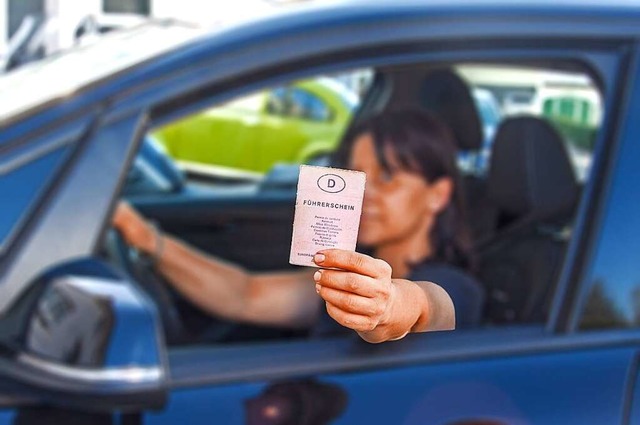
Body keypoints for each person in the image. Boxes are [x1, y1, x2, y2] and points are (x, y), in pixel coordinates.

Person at [113, 109, 483, 343]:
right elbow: (244, 294)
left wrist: (386, 306)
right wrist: (145, 237)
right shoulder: (342, 280)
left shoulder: (455, 288)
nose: (365, 193)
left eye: (388, 178)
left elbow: (421, 305)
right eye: (358, 175)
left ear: (438, 195)